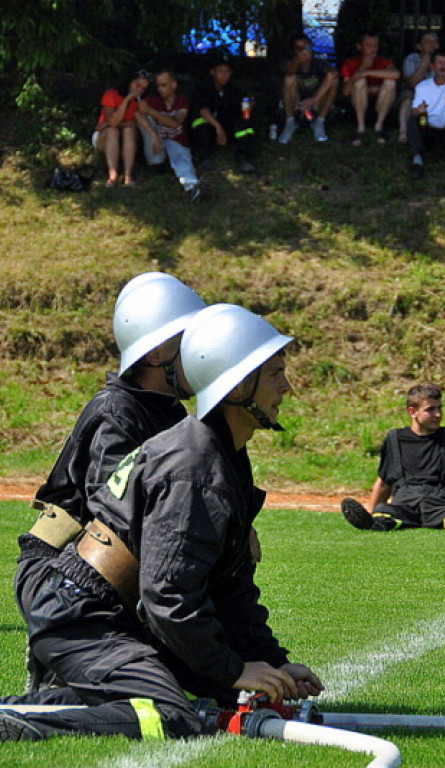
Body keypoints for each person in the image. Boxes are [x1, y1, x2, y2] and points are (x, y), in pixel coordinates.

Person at [0, 304, 324, 742]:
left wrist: (271, 662)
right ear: (236, 384)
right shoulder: (194, 469)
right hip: (83, 616)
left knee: (229, 699)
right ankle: (20, 718)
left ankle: (73, 695)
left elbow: (230, 584)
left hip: (110, 612)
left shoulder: (223, 453)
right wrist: (233, 668)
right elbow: (168, 598)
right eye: (274, 374)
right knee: (169, 715)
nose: (287, 387)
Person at [15, 272, 207, 694]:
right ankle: (62, 657)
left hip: (102, 572)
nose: (201, 351)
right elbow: (117, 508)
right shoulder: (116, 411)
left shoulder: (171, 414)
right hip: (62, 575)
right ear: (158, 351)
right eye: (188, 339)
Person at [341, 383, 445, 533]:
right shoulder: (394, 438)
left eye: (440, 408)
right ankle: (375, 524)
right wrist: (371, 512)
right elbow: (384, 482)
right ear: (412, 412)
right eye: (430, 409)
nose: (438, 414)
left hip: (441, 502)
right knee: (385, 513)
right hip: (404, 503)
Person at [138, 70, 203, 202]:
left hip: (176, 142)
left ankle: (192, 187)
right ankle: (159, 167)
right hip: (156, 146)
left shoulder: (182, 101)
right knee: (144, 119)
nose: (160, 89)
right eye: (158, 86)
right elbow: (137, 113)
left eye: (163, 85)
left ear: (174, 85)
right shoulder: (152, 101)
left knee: (178, 153)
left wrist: (152, 111)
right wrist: (153, 134)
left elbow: (176, 124)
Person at [408, 48, 445, 178]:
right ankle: (417, 160)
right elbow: (413, 111)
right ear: (432, 66)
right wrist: (419, 110)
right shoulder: (422, 86)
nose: (443, 66)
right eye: (440, 62)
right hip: (428, 128)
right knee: (415, 119)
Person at [190, 53, 256, 173]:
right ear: (213, 72)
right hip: (211, 128)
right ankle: (205, 156)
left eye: (227, 71)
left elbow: (243, 105)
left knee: (246, 121)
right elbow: (203, 110)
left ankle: (243, 156)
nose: (224, 75)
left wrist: (249, 105)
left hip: (227, 127)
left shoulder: (234, 89)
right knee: (200, 122)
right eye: (220, 71)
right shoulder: (204, 87)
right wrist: (218, 127)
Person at [94, 71, 157, 187]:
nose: (139, 90)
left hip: (124, 137)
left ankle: (128, 175)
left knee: (129, 131)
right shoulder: (111, 95)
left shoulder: (139, 102)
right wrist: (126, 101)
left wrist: (154, 136)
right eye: (137, 85)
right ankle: (112, 174)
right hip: (105, 136)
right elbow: (113, 122)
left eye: (143, 88)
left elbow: (139, 121)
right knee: (113, 131)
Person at [341, 32, 400, 146]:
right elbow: (346, 91)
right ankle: (360, 127)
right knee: (359, 82)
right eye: (368, 45)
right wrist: (363, 67)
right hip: (359, 105)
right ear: (360, 47)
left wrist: (367, 72)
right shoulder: (351, 63)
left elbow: (396, 74)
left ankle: (379, 127)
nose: (373, 49)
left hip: (380, 104)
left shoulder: (383, 61)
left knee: (390, 82)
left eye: (375, 45)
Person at [279, 33, 338, 144]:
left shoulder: (319, 62)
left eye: (307, 47)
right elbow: (288, 72)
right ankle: (289, 123)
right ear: (294, 51)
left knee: (333, 78)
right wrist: (297, 60)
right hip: (295, 105)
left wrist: (313, 100)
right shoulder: (289, 62)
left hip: (316, 104)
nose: (304, 51)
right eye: (299, 48)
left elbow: (332, 74)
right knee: (289, 79)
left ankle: (320, 122)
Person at [398, 32, 440, 144]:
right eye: (428, 42)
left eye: (434, 42)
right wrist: (424, 64)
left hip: (437, 93)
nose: (432, 45)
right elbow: (412, 83)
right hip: (415, 92)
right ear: (419, 46)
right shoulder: (411, 59)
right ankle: (403, 132)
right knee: (407, 98)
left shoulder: (443, 60)